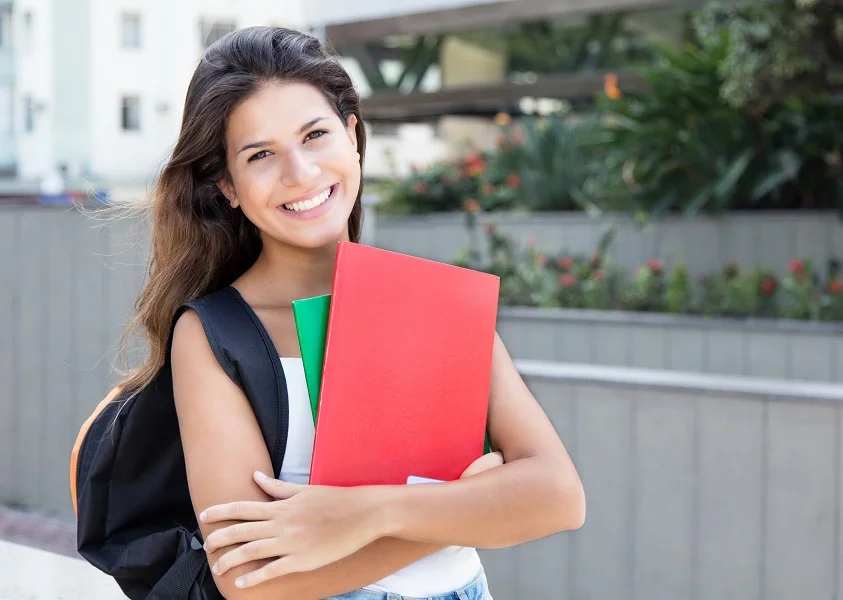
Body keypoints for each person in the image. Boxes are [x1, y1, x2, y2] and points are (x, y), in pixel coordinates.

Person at [120, 25, 585, 600]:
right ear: (228, 186)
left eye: (315, 135)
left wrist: (368, 513)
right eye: (260, 154)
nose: (300, 173)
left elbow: (559, 495)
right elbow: (248, 579)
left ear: (352, 134)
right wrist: (460, 508)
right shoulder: (217, 334)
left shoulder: (431, 299)